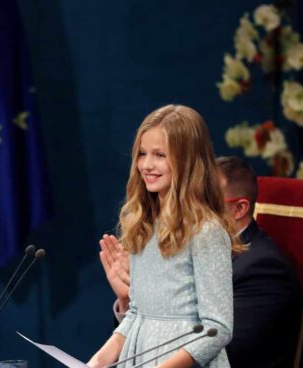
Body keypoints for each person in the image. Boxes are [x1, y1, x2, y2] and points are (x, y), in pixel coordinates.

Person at [100, 156, 302, 368]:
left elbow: (215, 353)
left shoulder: (263, 270)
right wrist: (132, 300)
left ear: (239, 209)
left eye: (205, 202)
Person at [87, 105, 240, 368]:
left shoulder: (207, 231)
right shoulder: (142, 226)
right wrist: (97, 362)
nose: (146, 165)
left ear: (189, 161)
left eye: (160, 155)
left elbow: (217, 327)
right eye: (142, 154)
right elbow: (137, 314)